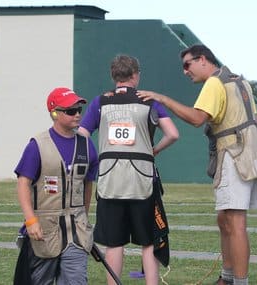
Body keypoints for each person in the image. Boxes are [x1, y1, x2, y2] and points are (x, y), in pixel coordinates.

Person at [137, 44, 257, 285]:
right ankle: (227, 277)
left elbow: (197, 119)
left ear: (204, 60)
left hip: (234, 154)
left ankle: (238, 281)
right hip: (251, 155)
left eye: (188, 64)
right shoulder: (241, 81)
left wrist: (162, 98)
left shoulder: (215, 83)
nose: (185, 71)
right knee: (225, 219)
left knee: (236, 222)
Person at [78, 54, 179, 285]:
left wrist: (101, 155)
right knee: (149, 241)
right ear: (135, 75)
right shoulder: (149, 100)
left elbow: (83, 134)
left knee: (113, 242)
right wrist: (155, 150)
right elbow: (173, 134)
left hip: (109, 179)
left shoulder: (100, 102)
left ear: (114, 76)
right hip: (142, 179)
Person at [13, 87, 99, 285]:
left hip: (77, 233)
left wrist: (83, 217)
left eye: (79, 109)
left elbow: (88, 184)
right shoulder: (37, 145)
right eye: (70, 111)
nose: (77, 114)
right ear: (54, 113)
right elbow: (23, 183)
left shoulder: (87, 145)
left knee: (76, 281)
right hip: (44, 231)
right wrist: (30, 221)